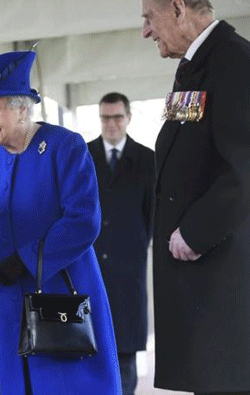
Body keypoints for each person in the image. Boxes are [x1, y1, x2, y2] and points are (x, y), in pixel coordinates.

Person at [0, 50, 121, 395]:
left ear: (23, 107)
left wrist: (26, 259)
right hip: (7, 295)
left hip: (61, 291)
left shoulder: (64, 146)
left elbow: (83, 220)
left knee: (66, 384)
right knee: (19, 383)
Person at [141, 0, 250, 394]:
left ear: (177, 8)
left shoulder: (235, 62)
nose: (146, 31)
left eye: (149, 19)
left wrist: (196, 231)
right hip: (201, 277)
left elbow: (246, 168)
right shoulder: (194, 66)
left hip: (221, 270)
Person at [87, 92, 155, 395]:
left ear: (128, 117)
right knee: (89, 346)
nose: (111, 123)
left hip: (129, 269)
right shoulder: (84, 156)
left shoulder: (147, 159)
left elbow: (152, 215)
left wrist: (137, 245)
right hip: (90, 269)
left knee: (125, 352)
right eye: (105, 117)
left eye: (117, 117)